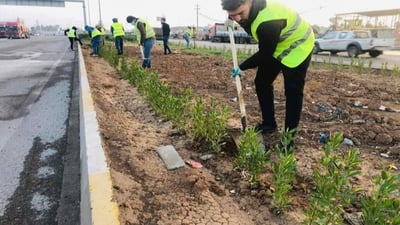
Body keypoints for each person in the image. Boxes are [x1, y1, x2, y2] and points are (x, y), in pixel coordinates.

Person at [221, 0, 315, 148]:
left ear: (250, 2)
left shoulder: (268, 22)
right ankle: (269, 124)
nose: (237, 19)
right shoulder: (246, 13)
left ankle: (288, 140)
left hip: (297, 44)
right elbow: (266, 47)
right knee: (262, 82)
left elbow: (265, 54)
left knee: (293, 91)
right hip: (276, 44)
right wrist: (229, 20)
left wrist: (242, 67)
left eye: (240, 14)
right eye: (232, 16)